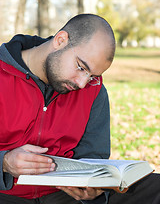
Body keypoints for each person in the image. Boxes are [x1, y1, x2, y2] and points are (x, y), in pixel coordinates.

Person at [0, 13, 159, 204]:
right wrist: (5, 162)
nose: (83, 84)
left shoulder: (94, 90)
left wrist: (96, 191)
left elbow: (94, 158)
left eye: (92, 76)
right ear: (61, 40)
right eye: (82, 68)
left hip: (63, 196)